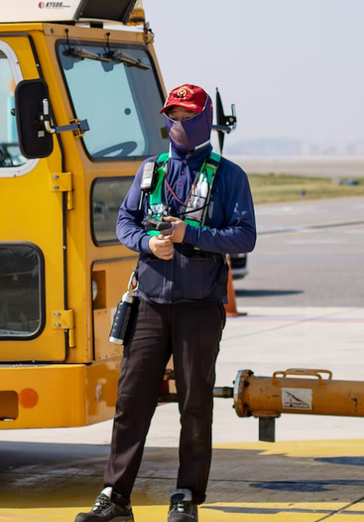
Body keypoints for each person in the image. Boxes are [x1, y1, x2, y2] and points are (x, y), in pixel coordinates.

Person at [76, 84, 256, 522]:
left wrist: (188, 234)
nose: (177, 124)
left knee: (194, 404)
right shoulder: (150, 171)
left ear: (204, 119)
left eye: (186, 116)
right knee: (131, 400)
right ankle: (115, 497)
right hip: (150, 304)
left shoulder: (229, 176)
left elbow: (244, 236)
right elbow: (125, 221)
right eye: (172, 116)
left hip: (199, 306)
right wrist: (147, 243)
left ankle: (187, 496)